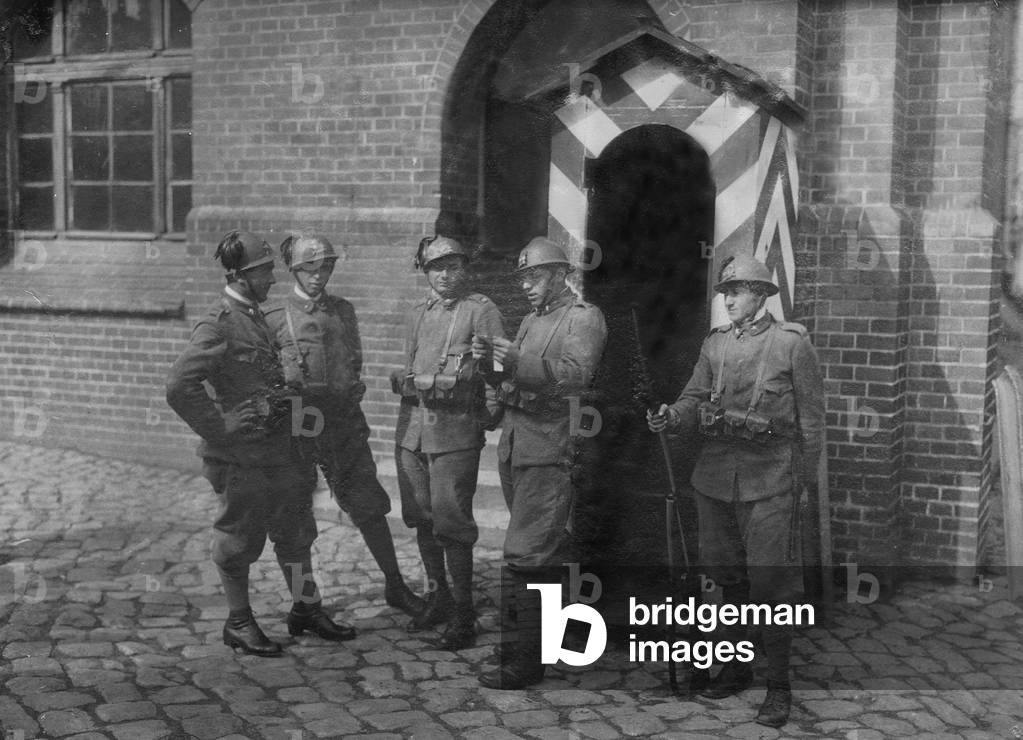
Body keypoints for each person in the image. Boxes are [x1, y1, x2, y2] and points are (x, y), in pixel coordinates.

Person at [647, 254, 824, 727]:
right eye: (725, 292)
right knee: (726, 578)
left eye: (738, 291)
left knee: (770, 585)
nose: (728, 300)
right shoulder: (716, 344)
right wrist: (672, 415)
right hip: (716, 477)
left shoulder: (791, 345)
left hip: (772, 480)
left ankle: (779, 686)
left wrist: (801, 487)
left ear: (762, 295)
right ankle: (738, 665)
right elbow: (692, 396)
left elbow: (812, 423)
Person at [166, 230, 354, 658]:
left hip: (280, 450)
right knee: (238, 539)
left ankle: (306, 609)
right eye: (265, 270)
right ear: (240, 275)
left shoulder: (256, 316)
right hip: (241, 456)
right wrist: (221, 427)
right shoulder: (219, 323)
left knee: (295, 534)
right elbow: (179, 385)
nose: (273, 277)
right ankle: (239, 621)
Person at [264, 234, 426, 620]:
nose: (318, 276)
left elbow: (353, 361)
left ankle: (395, 585)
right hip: (298, 427)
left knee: (369, 505)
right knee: (295, 516)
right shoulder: (274, 318)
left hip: (342, 422)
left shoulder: (342, 311)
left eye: (325, 268)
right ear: (294, 270)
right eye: (309, 269)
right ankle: (305, 604)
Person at [473, 236, 608, 690]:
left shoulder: (583, 318)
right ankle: (551, 635)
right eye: (523, 278)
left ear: (559, 274)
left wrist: (518, 359)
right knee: (543, 551)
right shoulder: (532, 319)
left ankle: (525, 659)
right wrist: (492, 367)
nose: (526, 286)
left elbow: (576, 375)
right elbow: (516, 377)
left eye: (533, 276)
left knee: (528, 553)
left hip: (551, 450)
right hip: (518, 447)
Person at [391, 235, 505, 650]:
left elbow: (499, 368)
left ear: (465, 269)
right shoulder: (418, 312)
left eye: (453, 266)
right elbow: (410, 367)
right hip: (413, 429)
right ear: (425, 273)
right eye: (436, 267)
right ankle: (438, 596)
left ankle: (463, 611)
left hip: (455, 431)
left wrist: (489, 415)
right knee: (421, 517)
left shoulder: (481, 310)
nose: (444, 274)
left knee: (452, 522)